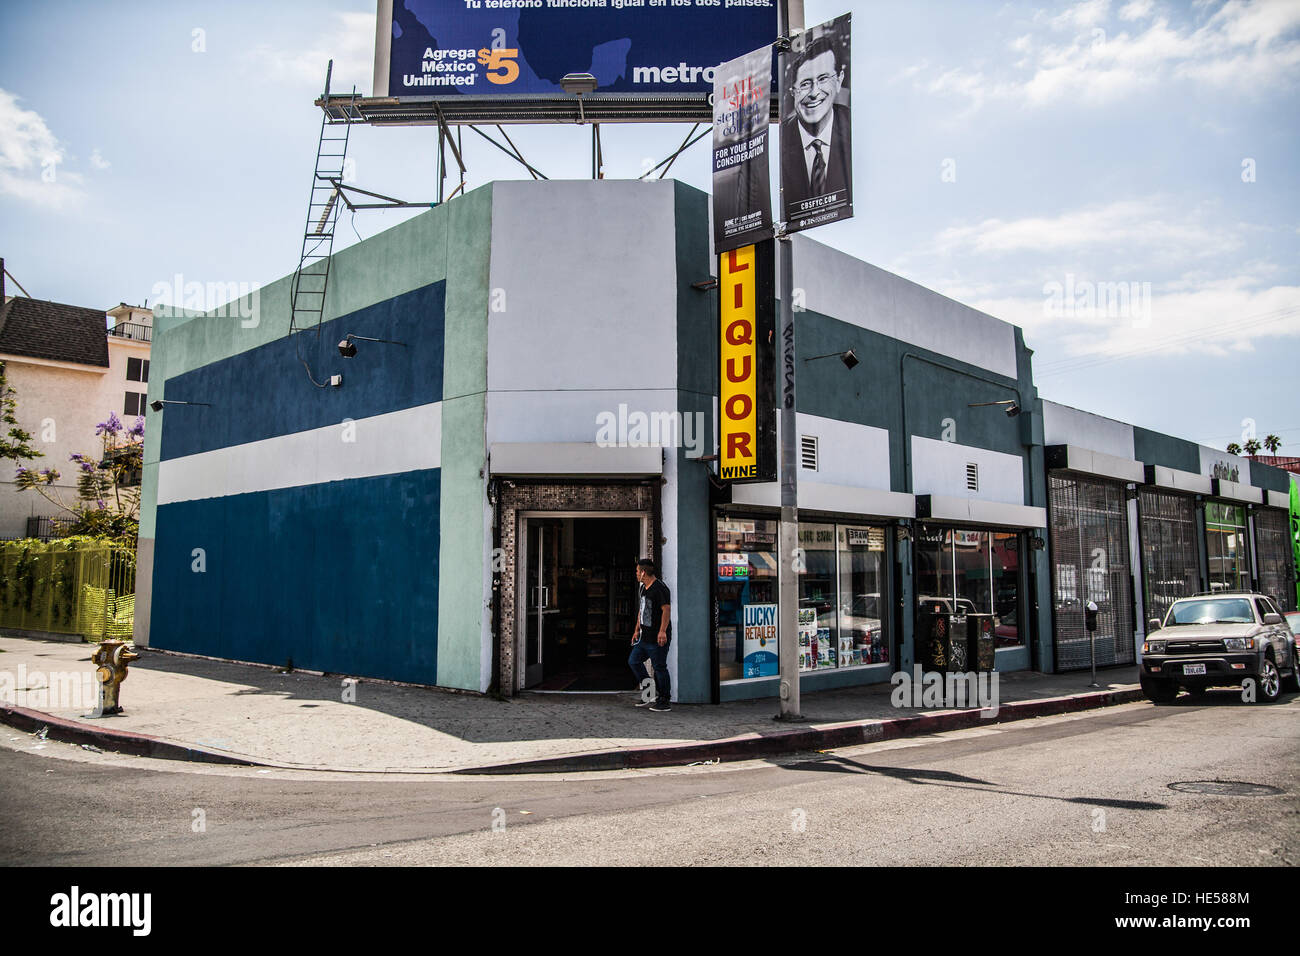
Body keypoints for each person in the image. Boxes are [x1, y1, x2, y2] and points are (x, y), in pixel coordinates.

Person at [780, 33, 851, 222]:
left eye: (823, 79)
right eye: (804, 84)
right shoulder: (781, 140)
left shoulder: (853, 132)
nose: (814, 93)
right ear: (792, 92)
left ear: (838, 81)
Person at [627, 558, 672, 712]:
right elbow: (642, 609)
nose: (636, 574)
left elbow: (666, 610)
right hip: (644, 636)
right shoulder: (643, 588)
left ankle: (664, 700)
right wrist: (636, 629)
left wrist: (662, 631)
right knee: (634, 661)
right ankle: (649, 693)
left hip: (657, 636)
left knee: (659, 667)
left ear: (643, 572)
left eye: (637, 571)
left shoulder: (660, 588)